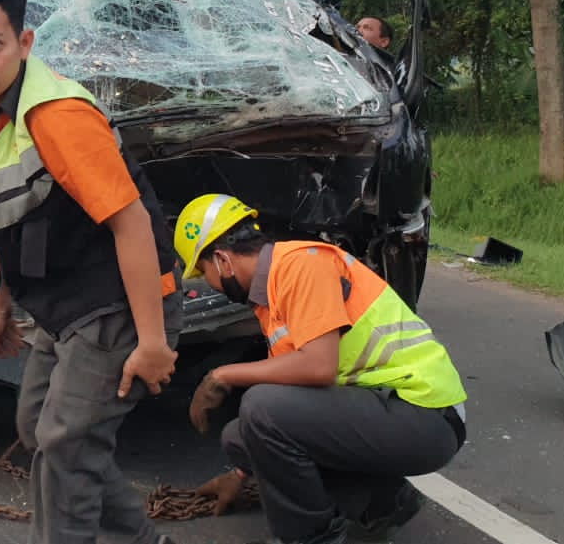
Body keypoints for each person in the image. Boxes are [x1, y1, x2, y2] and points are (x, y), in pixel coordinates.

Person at [0, 0, 184, 544]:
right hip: (63, 303)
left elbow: (132, 223)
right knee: (36, 428)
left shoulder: (57, 116)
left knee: (67, 447)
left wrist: (152, 342)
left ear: (24, 44)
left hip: (117, 303)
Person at [174, 193, 468, 544]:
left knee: (261, 409)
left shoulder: (302, 265)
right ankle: (384, 502)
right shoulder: (272, 292)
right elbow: (293, 393)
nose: (209, 284)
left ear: (222, 260)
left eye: (204, 272)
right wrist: (239, 474)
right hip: (390, 407)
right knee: (241, 437)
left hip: (427, 414)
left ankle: (310, 538)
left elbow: (318, 367)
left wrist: (220, 375)